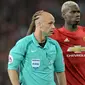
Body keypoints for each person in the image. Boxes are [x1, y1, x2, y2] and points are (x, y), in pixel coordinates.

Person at [26, 1, 85, 85]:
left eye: (78, 12)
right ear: (64, 15)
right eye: (73, 12)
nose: (77, 14)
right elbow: (29, 42)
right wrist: (33, 22)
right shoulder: (56, 34)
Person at [7, 11, 67, 85]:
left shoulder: (54, 45)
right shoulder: (24, 44)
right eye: (50, 23)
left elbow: (60, 71)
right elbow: (12, 68)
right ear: (39, 24)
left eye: (53, 23)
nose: (53, 27)